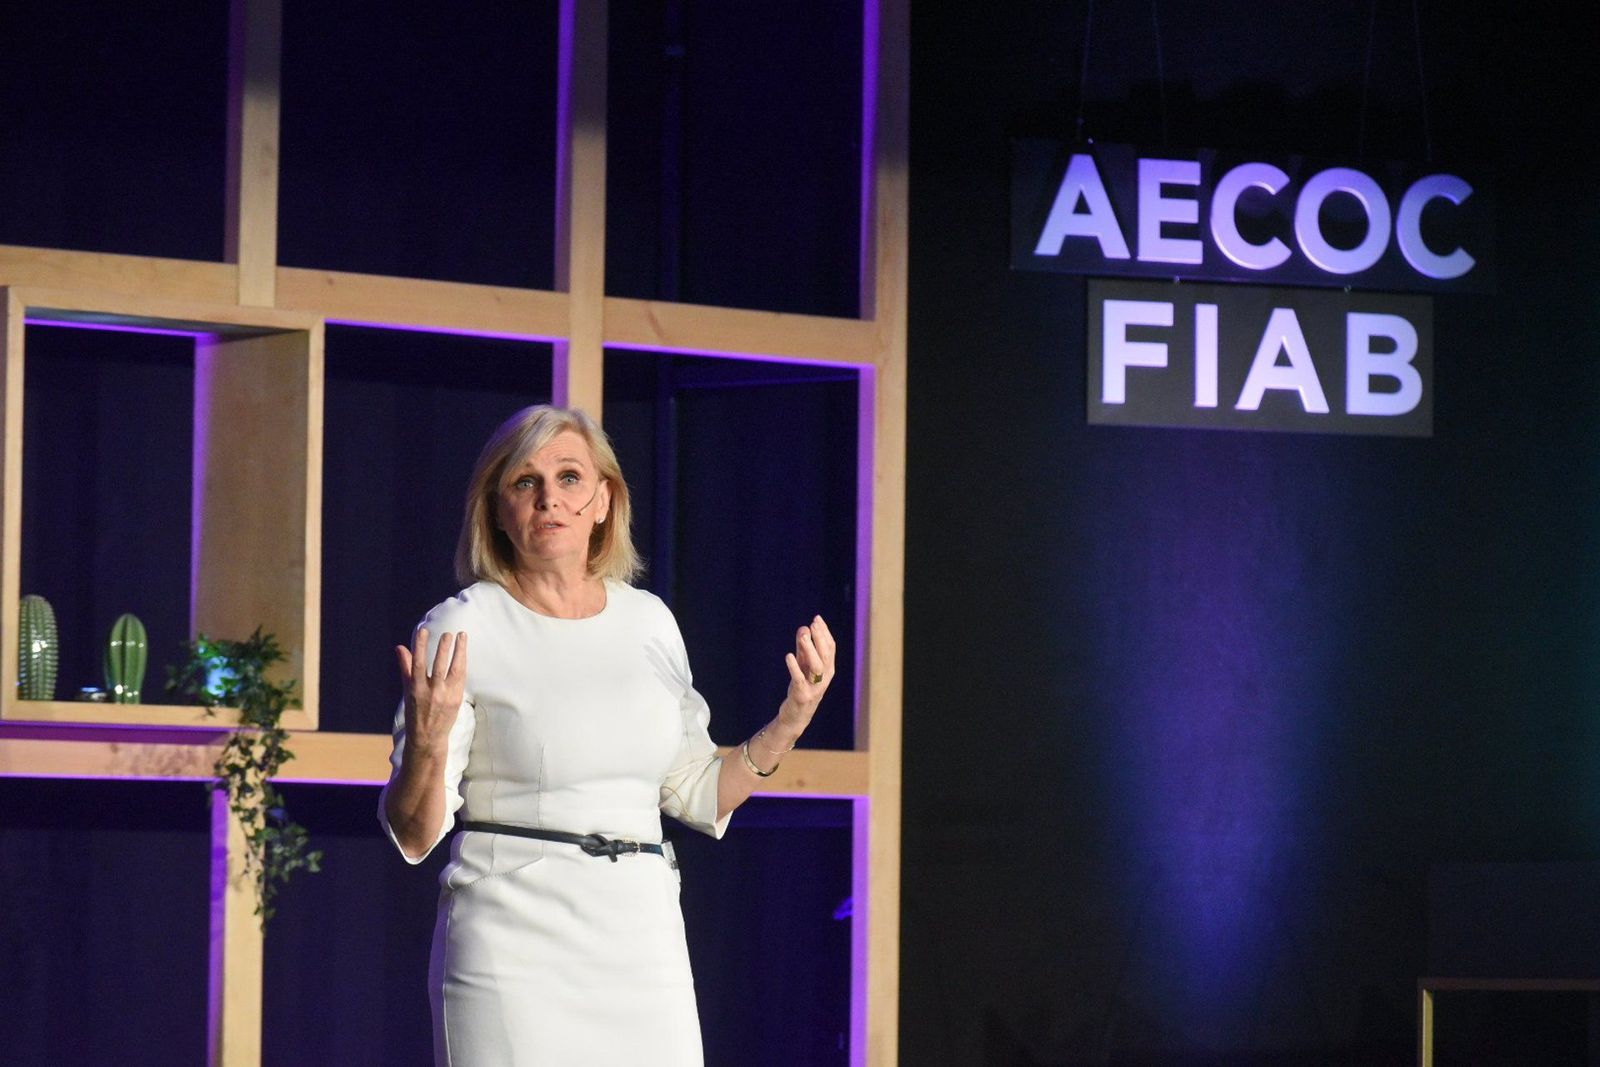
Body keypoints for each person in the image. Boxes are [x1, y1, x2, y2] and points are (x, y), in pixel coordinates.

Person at [378, 403, 835, 1067]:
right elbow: (415, 833)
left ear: (603, 500)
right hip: (514, 948)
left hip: (641, 942)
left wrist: (792, 715)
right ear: (497, 509)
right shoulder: (462, 625)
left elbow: (698, 790)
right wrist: (423, 743)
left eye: (568, 478)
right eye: (524, 482)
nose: (549, 500)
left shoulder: (649, 622)